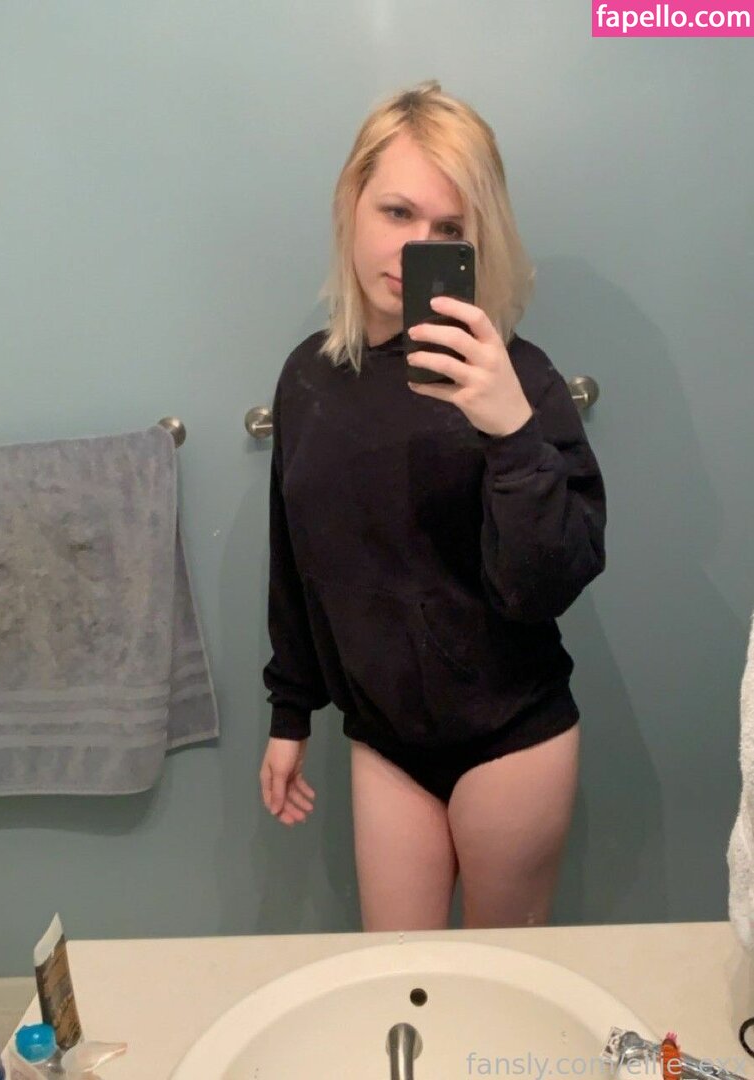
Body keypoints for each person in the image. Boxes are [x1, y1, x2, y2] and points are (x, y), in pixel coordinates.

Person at [258, 80, 606, 932]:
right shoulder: (307, 378)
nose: (415, 244)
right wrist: (289, 712)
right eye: (396, 211)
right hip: (383, 743)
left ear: (476, 241)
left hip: (512, 738)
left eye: (448, 229)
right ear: (350, 205)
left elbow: (544, 585)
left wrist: (510, 430)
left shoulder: (517, 376)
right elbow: (294, 557)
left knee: (501, 981)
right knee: (399, 979)